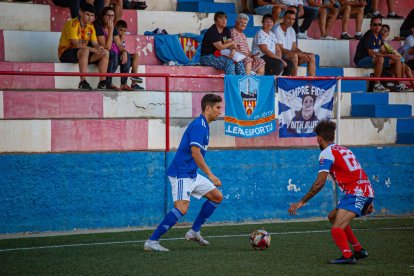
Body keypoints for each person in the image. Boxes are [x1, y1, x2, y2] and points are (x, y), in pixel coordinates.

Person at [144, 94, 224, 252]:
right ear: (208, 108)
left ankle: (194, 232)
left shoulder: (204, 126)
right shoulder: (199, 126)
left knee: (216, 197)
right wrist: (210, 174)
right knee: (182, 208)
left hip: (191, 173)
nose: (220, 111)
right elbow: (195, 153)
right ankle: (152, 241)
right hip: (182, 173)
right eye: (217, 108)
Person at [288, 120, 375, 265]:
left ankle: (347, 255)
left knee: (336, 229)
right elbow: (359, 172)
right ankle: (358, 250)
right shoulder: (344, 149)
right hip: (365, 190)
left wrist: (301, 202)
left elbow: (319, 183)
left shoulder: (326, 153)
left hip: (356, 193)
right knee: (333, 216)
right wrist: (368, 199)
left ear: (319, 139)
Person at [58, 3, 109, 90]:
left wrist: (99, 48)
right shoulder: (72, 23)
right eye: (87, 14)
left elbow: (95, 43)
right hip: (65, 53)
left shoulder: (91, 26)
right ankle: (83, 82)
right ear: (81, 12)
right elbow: (76, 45)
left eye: (92, 15)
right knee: (84, 51)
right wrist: (94, 49)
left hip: (82, 55)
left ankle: (102, 82)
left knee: (105, 52)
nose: (90, 18)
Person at [354, 16, 410, 92]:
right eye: (375, 24)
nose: (377, 26)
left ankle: (398, 84)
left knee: (397, 59)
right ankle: (376, 85)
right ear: (370, 26)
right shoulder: (369, 35)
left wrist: (393, 54)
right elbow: (371, 53)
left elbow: (383, 50)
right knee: (380, 58)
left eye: (379, 24)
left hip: (373, 59)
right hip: (362, 60)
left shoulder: (379, 35)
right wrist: (388, 55)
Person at [94, 6, 133, 90]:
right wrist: (110, 30)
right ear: (102, 16)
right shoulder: (97, 26)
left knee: (127, 55)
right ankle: (108, 83)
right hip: (98, 54)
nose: (110, 18)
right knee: (112, 53)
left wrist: (124, 51)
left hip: (108, 53)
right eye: (108, 15)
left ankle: (123, 84)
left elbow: (119, 44)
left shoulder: (113, 27)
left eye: (112, 16)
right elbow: (106, 47)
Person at [200, 11, 245, 75]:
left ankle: (241, 82)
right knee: (229, 62)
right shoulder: (212, 31)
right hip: (207, 57)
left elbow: (231, 44)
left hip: (221, 54)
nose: (224, 21)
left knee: (238, 61)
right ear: (215, 21)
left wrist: (233, 50)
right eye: (221, 18)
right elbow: (220, 47)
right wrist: (233, 42)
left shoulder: (226, 30)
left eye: (225, 18)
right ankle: (231, 83)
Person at [272, 10, 316, 76]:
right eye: (288, 18)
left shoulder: (291, 30)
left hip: (289, 54)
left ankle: (312, 81)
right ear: (284, 18)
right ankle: (294, 79)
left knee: (311, 56)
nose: (291, 21)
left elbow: (294, 48)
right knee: (294, 56)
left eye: (293, 19)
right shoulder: (276, 29)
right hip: (279, 55)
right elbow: (281, 49)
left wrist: (303, 55)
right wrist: (299, 54)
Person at [381, 24, 414, 90]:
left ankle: (399, 84)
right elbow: (383, 52)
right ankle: (399, 83)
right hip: (384, 60)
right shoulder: (379, 41)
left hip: (395, 58)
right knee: (402, 62)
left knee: (404, 65)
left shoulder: (385, 42)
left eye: (386, 31)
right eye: (383, 30)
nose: (385, 32)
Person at [116, 20, 144, 90]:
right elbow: (118, 49)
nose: (122, 33)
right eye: (121, 30)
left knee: (136, 55)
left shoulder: (122, 37)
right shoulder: (114, 36)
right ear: (116, 29)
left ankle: (134, 81)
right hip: (115, 57)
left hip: (122, 56)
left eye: (124, 31)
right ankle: (124, 83)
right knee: (127, 55)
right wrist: (121, 39)